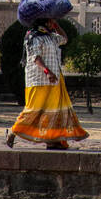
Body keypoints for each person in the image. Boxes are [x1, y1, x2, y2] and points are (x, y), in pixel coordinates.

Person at [6, 18, 88, 151]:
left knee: (54, 111)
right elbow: (35, 57)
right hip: (38, 79)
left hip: (54, 79)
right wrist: (47, 72)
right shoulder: (33, 36)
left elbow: (64, 39)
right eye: (49, 22)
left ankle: (53, 140)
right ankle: (14, 131)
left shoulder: (50, 36)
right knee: (34, 109)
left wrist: (57, 25)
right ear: (43, 22)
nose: (51, 24)